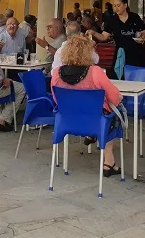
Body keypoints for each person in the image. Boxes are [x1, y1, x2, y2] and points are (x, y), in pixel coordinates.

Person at [51, 35, 123, 177]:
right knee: (113, 115)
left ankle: (98, 145)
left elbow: (56, 99)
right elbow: (114, 97)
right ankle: (108, 162)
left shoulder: (56, 74)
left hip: (68, 121)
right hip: (96, 121)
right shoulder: (95, 72)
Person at [91, 0, 145, 77]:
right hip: (121, 53)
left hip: (136, 53)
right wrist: (94, 33)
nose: (116, 8)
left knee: (137, 76)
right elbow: (104, 37)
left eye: (118, 5)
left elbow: (143, 32)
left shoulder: (134, 17)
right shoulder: (112, 20)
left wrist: (143, 38)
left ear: (125, 5)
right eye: (115, 6)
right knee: (120, 77)